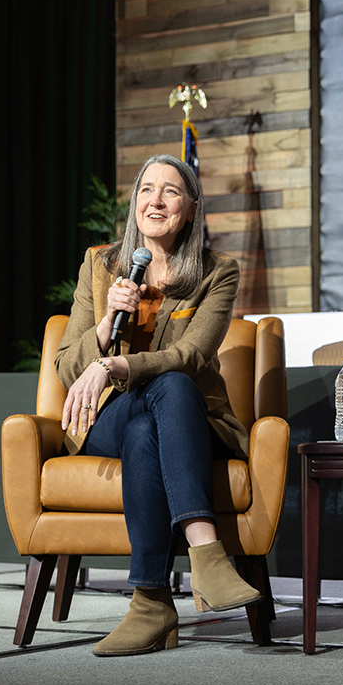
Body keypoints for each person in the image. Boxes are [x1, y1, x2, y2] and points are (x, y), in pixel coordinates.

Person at [56, 154, 262, 656]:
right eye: (147, 189)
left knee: (160, 405)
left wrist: (117, 365)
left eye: (171, 191)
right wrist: (105, 326)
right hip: (106, 415)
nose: (156, 200)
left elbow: (192, 356)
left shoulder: (217, 272)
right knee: (153, 403)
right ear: (135, 203)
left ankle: (150, 604)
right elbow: (65, 366)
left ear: (190, 208)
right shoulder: (100, 265)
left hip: (187, 417)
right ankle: (206, 553)